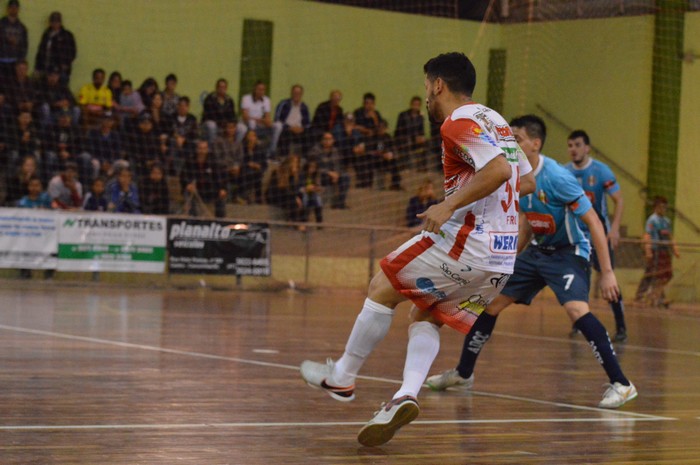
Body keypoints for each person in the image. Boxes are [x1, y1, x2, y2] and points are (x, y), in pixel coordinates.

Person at [300, 52, 534, 447]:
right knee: (426, 312)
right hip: (501, 256)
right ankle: (405, 395)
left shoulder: (456, 122)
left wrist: (449, 204)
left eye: (426, 87)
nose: (425, 96)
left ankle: (342, 376)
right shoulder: (496, 121)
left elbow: (497, 172)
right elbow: (525, 181)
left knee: (381, 286)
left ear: (438, 85)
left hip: (466, 242)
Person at [426, 114, 637, 411]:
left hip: (569, 252)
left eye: (517, 139)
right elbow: (527, 221)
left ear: (535, 144)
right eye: (508, 137)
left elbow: (594, 221)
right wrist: (509, 261)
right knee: (490, 304)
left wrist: (608, 272)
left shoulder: (558, 177)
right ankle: (463, 374)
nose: (509, 143)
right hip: (539, 251)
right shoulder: (516, 175)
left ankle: (622, 384)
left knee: (576, 310)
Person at [565, 130, 628, 342]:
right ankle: (578, 323)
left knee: (608, 280)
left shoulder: (601, 171)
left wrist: (615, 228)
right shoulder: (564, 172)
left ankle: (621, 326)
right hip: (576, 237)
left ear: (587, 148)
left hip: (599, 235)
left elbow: (619, 200)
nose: (573, 149)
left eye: (577, 145)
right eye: (570, 145)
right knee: (578, 280)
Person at [634, 196, 680, 308]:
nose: (663, 209)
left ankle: (657, 296)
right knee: (652, 274)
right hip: (655, 251)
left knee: (666, 275)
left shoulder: (666, 221)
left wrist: (675, 249)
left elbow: (670, 236)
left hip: (664, 251)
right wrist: (648, 250)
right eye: (661, 207)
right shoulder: (652, 220)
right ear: (656, 207)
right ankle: (643, 296)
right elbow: (647, 235)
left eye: (665, 207)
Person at [180, 139, 227, 218]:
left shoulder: (213, 161)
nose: (202, 151)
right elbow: (183, 175)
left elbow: (219, 176)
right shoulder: (190, 161)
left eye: (204, 148)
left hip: (211, 190)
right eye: (200, 148)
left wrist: (223, 188)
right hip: (196, 190)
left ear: (207, 149)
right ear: (197, 149)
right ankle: (193, 218)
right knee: (188, 193)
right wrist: (187, 184)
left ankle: (220, 220)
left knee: (221, 196)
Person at [308, 132, 350, 209]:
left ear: (333, 140)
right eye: (325, 139)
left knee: (346, 176)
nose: (328, 141)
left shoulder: (335, 150)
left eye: (330, 139)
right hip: (320, 175)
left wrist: (337, 174)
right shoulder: (315, 150)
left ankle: (340, 203)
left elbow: (339, 165)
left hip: (333, 176)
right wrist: (330, 173)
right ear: (321, 140)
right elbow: (314, 167)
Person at [33, 11, 76, 85]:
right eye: (53, 22)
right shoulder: (46, 35)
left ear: (60, 22)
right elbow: (40, 52)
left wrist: (65, 64)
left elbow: (72, 52)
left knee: (61, 89)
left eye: (57, 22)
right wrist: (37, 67)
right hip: (46, 69)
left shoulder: (67, 35)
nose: (55, 24)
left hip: (61, 71)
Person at [271, 84, 311, 158]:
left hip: (299, 130)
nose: (296, 95)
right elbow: (277, 119)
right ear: (291, 93)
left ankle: (305, 158)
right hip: (287, 128)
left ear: (301, 94)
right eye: (295, 93)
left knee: (309, 135)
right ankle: (284, 157)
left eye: (298, 93)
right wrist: (289, 127)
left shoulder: (304, 107)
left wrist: (302, 128)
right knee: (285, 135)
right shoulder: (284, 104)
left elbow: (308, 123)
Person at [395, 96, 427, 170]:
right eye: (414, 104)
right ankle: (405, 166)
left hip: (415, 139)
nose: (416, 106)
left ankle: (422, 166)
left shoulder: (420, 117)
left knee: (425, 142)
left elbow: (421, 131)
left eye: (418, 105)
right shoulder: (403, 115)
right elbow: (399, 131)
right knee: (407, 142)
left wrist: (421, 137)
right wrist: (413, 137)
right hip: (404, 139)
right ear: (411, 104)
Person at [236, 80, 272, 145]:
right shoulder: (246, 98)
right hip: (246, 124)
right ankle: (251, 141)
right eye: (259, 89)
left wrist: (260, 120)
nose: (261, 92)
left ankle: (270, 149)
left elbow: (268, 121)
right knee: (251, 123)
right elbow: (245, 117)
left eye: (263, 90)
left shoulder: (266, 100)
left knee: (275, 127)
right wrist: (260, 120)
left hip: (259, 125)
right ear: (255, 89)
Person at [201, 78, 236, 143]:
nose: (222, 89)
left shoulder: (229, 100)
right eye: (220, 87)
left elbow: (232, 115)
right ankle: (212, 147)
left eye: (224, 87)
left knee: (241, 128)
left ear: (226, 88)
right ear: (216, 88)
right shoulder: (210, 98)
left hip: (225, 125)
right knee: (212, 125)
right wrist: (224, 125)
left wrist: (230, 126)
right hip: (210, 123)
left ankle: (234, 147)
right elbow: (210, 116)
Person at [0, 0, 27, 79]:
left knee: (12, 85)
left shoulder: (22, 27)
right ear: (8, 9)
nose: (13, 9)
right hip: (1, 60)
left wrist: (20, 62)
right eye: (11, 7)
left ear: (18, 9)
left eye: (15, 8)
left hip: (15, 63)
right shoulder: (1, 24)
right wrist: (6, 40)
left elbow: (25, 46)